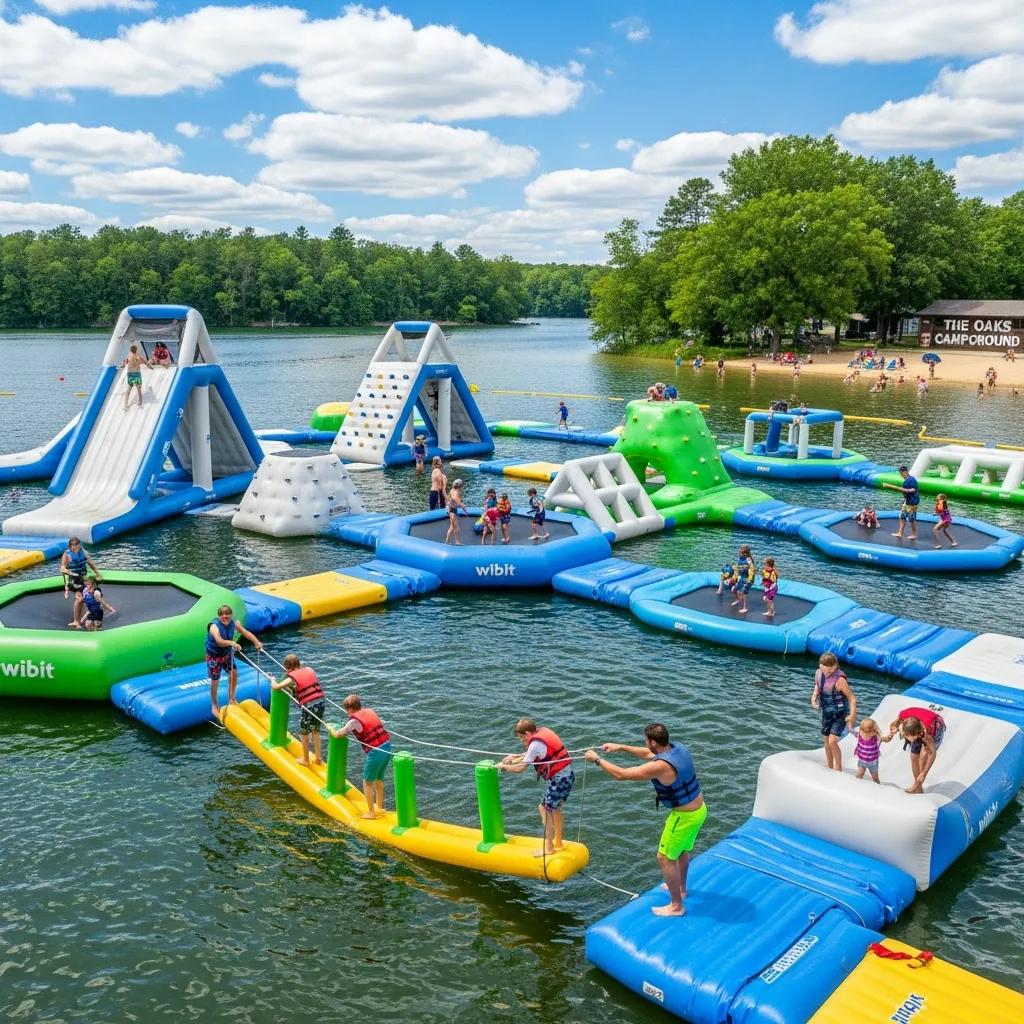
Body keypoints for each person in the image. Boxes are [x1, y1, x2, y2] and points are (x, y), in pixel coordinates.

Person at [585, 723, 706, 917]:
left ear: (652, 741)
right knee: (681, 850)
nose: (645, 744)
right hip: (699, 809)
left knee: (665, 857)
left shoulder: (660, 766)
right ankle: (681, 890)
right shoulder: (677, 748)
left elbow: (621, 775)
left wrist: (597, 760)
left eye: (646, 741)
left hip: (684, 817)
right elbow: (647, 754)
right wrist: (620, 747)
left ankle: (676, 906)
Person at [499, 718, 575, 858]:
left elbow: (521, 768)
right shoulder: (542, 733)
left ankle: (549, 848)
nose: (522, 740)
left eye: (522, 737)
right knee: (556, 808)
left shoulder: (535, 744)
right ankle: (558, 841)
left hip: (558, 780)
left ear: (528, 732)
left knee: (544, 808)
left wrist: (504, 767)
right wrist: (512, 758)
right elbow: (530, 756)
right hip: (568, 776)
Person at [333, 694, 392, 818]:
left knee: (367, 782)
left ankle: (371, 813)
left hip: (375, 752)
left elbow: (339, 734)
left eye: (346, 710)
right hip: (387, 746)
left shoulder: (353, 721)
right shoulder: (370, 711)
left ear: (349, 709)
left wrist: (331, 730)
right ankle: (379, 807)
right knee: (379, 779)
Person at [208, 604, 263, 718]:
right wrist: (232, 643)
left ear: (231, 615)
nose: (225, 617)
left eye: (227, 615)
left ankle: (232, 698)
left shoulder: (233, 623)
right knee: (215, 681)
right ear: (219, 616)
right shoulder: (214, 626)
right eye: (222, 615)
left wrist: (256, 642)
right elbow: (219, 641)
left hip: (226, 654)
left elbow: (245, 632)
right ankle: (214, 706)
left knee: (233, 674)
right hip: (214, 656)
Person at [271, 653, 326, 767]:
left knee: (303, 732)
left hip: (310, 707)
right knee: (315, 730)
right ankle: (318, 758)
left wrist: (272, 679)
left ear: (287, 668)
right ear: (299, 664)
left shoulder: (291, 677)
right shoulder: (309, 669)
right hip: (321, 702)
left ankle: (306, 760)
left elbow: (276, 687)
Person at [810, 653, 856, 772]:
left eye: (831, 667)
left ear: (836, 666)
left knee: (832, 741)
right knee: (826, 741)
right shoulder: (818, 673)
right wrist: (813, 698)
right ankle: (829, 766)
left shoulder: (840, 680)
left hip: (840, 714)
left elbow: (852, 698)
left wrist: (852, 715)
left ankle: (838, 768)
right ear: (820, 665)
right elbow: (818, 685)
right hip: (827, 712)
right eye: (824, 667)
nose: (827, 670)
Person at [887, 707, 946, 794]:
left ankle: (917, 784)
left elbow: (932, 753)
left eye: (907, 737)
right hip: (917, 724)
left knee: (923, 756)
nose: (905, 738)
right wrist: (892, 733)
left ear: (916, 734)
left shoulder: (927, 734)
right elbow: (894, 725)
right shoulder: (903, 718)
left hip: (936, 725)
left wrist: (924, 773)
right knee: (914, 756)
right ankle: (919, 788)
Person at [61, 537, 102, 629]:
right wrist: (72, 573)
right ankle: (76, 621)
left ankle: (80, 618)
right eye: (72, 545)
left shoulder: (84, 553)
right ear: (70, 546)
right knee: (79, 599)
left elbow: (92, 564)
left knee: (83, 599)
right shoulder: (67, 555)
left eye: (76, 544)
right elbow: (62, 568)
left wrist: (98, 574)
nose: (75, 547)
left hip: (83, 578)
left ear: (79, 544)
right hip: (73, 579)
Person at [883, 465, 920, 541]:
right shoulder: (905, 482)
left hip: (912, 503)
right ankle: (900, 533)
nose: (901, 474)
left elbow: (913, 490)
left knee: (911, 519)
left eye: (902, 472)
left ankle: (914, 534)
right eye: (900, 472)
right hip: (907, 502)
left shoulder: (912, 479)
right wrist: (904, 499)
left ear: (906, 472)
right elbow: (905, 494)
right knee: (902, 517)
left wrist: (903, 490)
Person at [854, 718, 890, 784]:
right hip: (862, 761)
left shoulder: (877, 738)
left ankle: (877, 789)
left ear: (873, 732)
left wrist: (891, 734)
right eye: (862, 732)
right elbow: (851, 730)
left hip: (873, 763)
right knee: (859, 775)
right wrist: (849, 722)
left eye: (867, 733)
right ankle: (857, 788)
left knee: (875, 778)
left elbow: (887, 739)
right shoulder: (859, 734)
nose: (864, 735)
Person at [122, 344, 152, 411]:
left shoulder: (129, 355)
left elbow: (125, 362)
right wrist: (150, 367)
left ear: (130, 350)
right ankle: (140, 402)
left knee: (129, 388)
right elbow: (144, 361)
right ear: (136, 350)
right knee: (138, 388)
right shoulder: (137, 356)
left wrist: (123, 365)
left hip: (130, 374)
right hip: (136, 374)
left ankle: (125, 405)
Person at [730, 544, 755, 614]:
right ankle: (738, 599)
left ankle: (745, 608)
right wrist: (734, 577)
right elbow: (738, 569)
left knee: (744, 592)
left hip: (748, 578)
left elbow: (752, 569)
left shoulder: (748, 559)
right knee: (733, 589)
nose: (739, 552)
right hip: (741, 577)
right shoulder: (740, 558)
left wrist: (750, 579)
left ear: (745, 553)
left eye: (740, 551)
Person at [445, 479, 467, 545]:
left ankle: (447, 542)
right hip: (451, 511)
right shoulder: (456, 492)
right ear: (459, 486)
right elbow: (456, 499)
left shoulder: (452, 490)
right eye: (461, 486)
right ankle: (457, 542)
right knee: (456, 526)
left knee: (452, 527)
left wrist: (463, 508)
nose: (462, 487)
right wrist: (463, 506)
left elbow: (451, 499)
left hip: (451, 510)